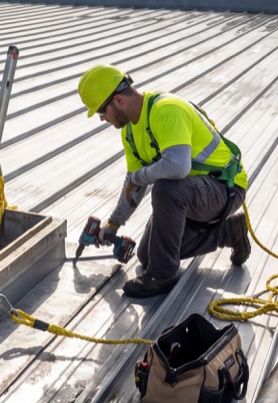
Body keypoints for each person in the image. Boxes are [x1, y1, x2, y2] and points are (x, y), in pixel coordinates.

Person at [77, 65, 251, 298]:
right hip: (193, 194)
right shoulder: (130, 132)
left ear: (117, 100)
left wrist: (139, 176)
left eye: (101, 111)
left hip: (224, 188)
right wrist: (114, 224)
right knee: (148, 256)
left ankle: (163, 276)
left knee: (166, 189)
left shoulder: (166, 110)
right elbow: (134, 184)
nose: (101, 118)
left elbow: (178, 167)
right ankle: (230, 232)